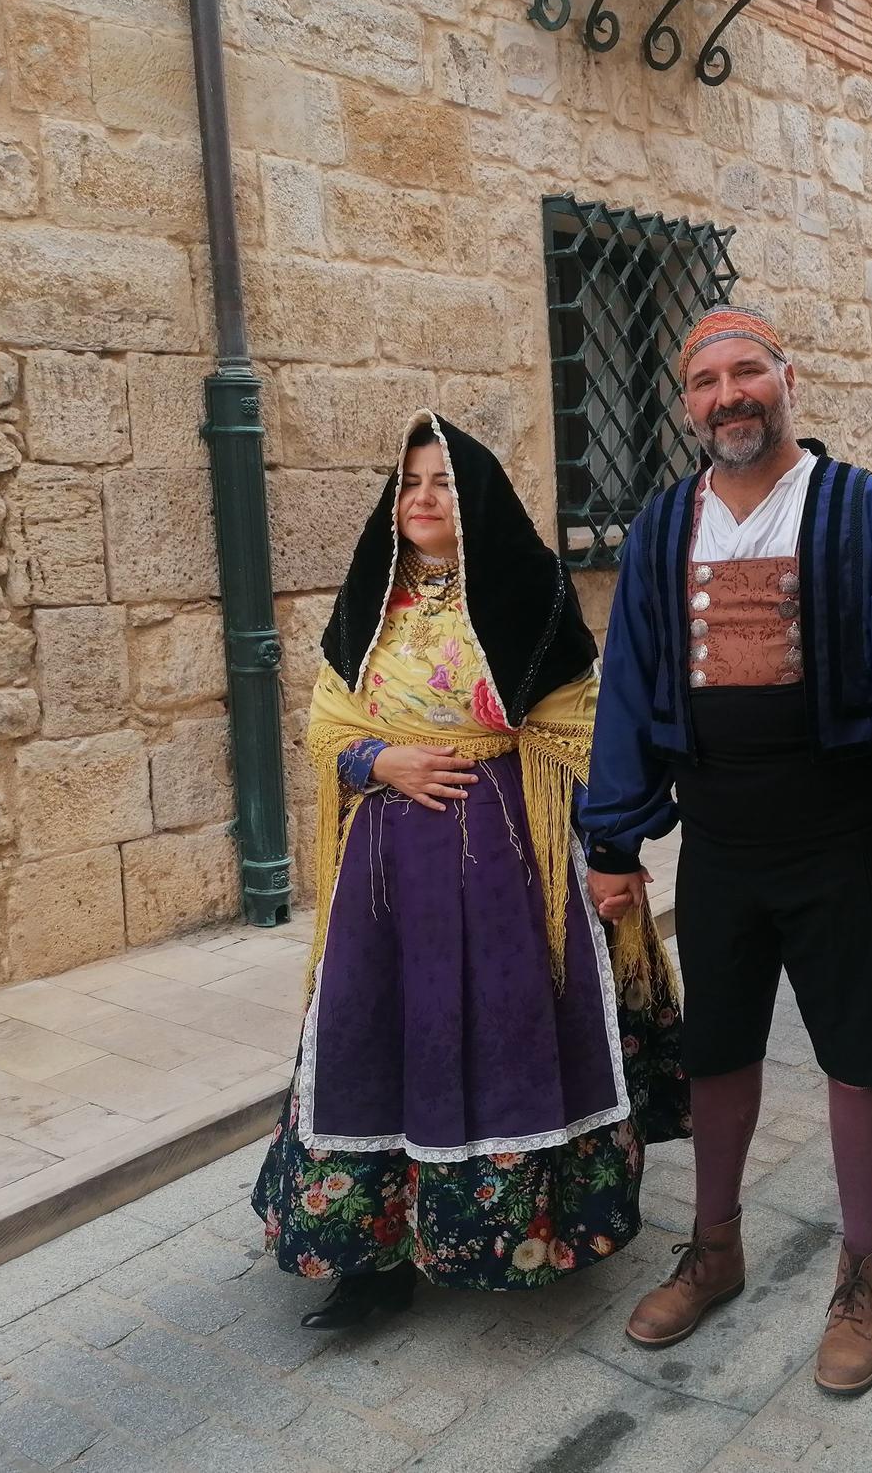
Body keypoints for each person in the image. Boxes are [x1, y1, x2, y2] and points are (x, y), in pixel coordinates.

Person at [583, 305, 872, 1396]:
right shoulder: (660, 530)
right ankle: (715, 1249)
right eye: (704, 381)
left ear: (788, 380)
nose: (727, 395)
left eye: (746, 373)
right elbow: (631, 685)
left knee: (861, 1058)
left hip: (837, 832)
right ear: (685, 405)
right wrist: (614, 837)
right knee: (717, 1050)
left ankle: (860, 1276)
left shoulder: (863, 515)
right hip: (721, 835)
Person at [252, 412, 690, 1330]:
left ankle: (533, 1229)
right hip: (386, 877)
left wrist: (609, 853)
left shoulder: (530, 591)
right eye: (409, 483)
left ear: (474, 496)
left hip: (511, 867)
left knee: (506, 1029)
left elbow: (584, 725)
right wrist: (382, 762)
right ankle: (370, 1256)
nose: (420, 499)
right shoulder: (368, 603)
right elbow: (326, 725)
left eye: (441, 483)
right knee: (377, 1035)